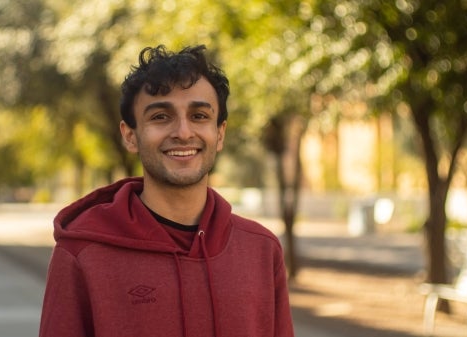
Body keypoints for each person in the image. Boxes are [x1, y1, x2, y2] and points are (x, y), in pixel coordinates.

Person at [39, 45, 294, 337]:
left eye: (199, 116)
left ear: (220, 133)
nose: (183, 132)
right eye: (161, 116)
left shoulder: (261, 250)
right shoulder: (81, 254)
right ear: (130, 136)